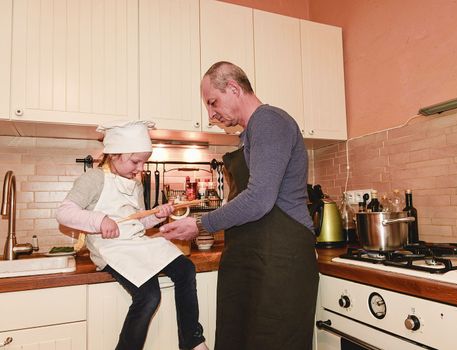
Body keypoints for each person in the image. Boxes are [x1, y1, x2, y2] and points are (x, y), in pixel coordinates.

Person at [159, 61, 319, 350]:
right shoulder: (251, 135)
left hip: (280, 262)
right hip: (257, 259)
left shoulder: (269, 120)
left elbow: (259, 199)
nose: (210, 115)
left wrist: (198, 224)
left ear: (233, 88)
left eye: (212, 102)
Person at [56, 120, 208, 350]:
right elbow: (63, 212)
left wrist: (157, 215)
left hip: (137, 244)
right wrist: (99, 220)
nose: (140, 168)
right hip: (111, 250)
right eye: (135, 161)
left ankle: (192, 341)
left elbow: (137, 222)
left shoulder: (135, 184)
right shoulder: (94, 179)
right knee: (149, 296)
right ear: (115, 155)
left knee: (185, 269)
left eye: (143, 162)